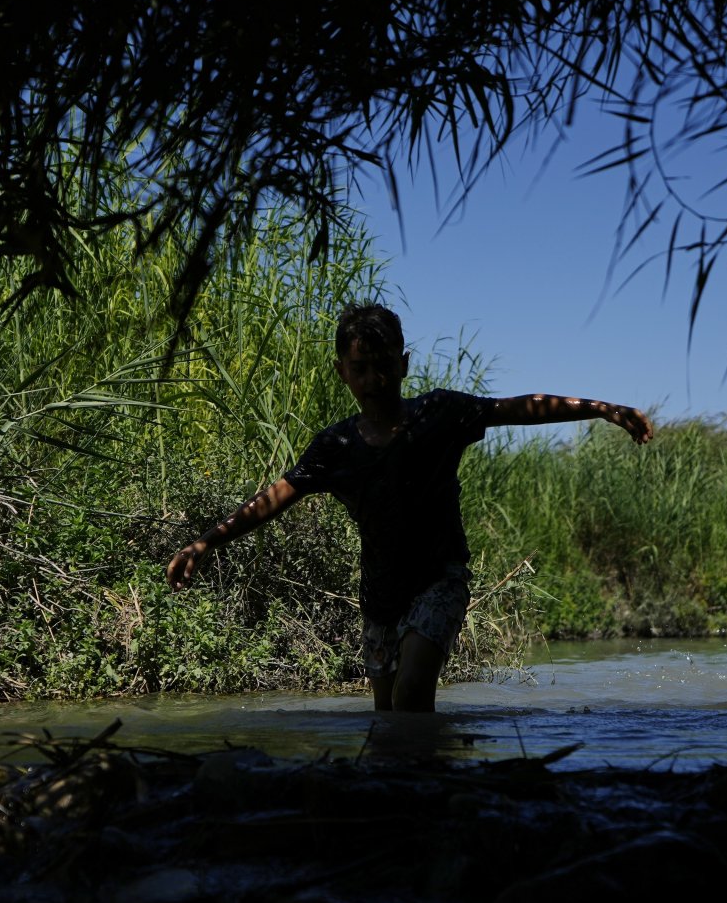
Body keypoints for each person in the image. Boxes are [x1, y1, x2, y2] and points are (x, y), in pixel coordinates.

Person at [165, 303, 653, 712]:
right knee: (386, 720)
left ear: (404, 363)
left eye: (383, 365)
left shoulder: (438, 414)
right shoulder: (336, 446)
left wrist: (602, 409)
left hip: (440, 581)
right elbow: (273, 498)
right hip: (380, 598)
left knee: (412, 699)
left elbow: (520, 408)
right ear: (341, 371)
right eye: (360, 368)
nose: (374, 379)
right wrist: (206, 542)